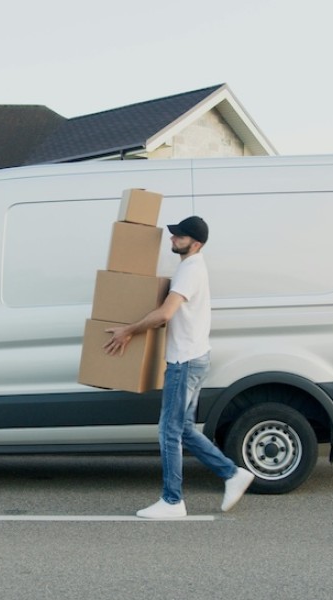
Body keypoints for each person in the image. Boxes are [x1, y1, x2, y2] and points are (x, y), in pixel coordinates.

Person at [104, 216, 254, 519]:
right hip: (195, 357)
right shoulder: (191, 267)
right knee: (183, 428)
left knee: (168, 430)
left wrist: (128, 330)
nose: (172, 239)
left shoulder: (191, 269)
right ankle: (232, 474)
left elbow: (165, 314)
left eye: (179, 236)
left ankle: (172, 501)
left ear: (195, 244)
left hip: (185, 362)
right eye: (174, 235)